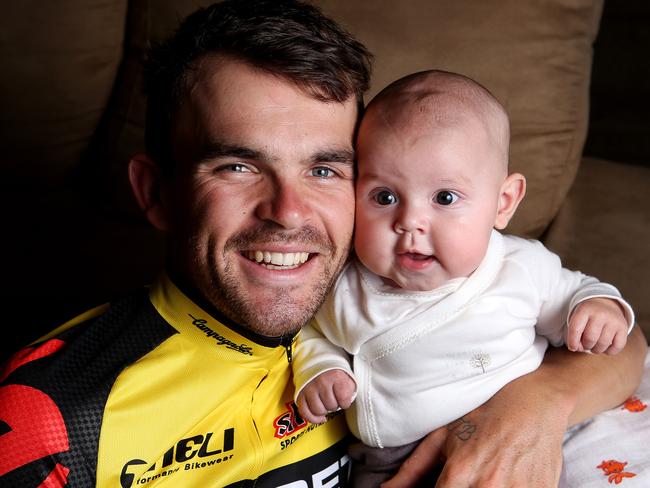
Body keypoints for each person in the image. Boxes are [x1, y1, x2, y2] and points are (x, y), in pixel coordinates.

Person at [0, 2, 646, 487]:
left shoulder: (393, 279)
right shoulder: (57, 413)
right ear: (157, 192)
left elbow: (623, 345)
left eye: (325, 169)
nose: (288, 213)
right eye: (238, 166)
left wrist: (530, 409)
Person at [293, 70, 636, 486]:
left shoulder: (520, 268)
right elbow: (313, 334)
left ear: (502, 203)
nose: (411, 222)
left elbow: (577, 292)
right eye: (384, 197)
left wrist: (598, 308)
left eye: (445, 198)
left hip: (525, 437)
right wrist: (323, 371)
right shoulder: (347, 288)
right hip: (390, 459)